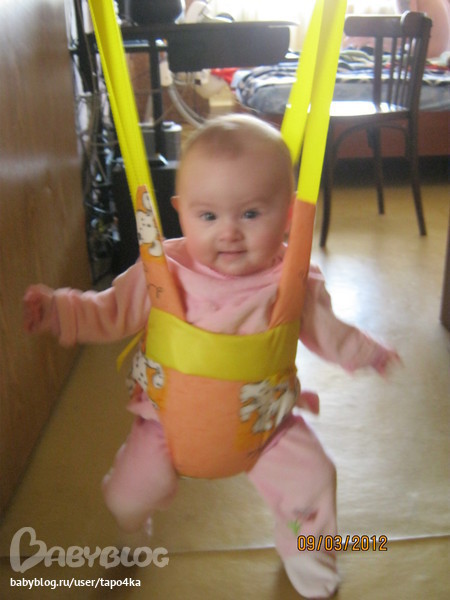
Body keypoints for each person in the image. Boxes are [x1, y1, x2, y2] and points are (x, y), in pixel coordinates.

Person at [24, 114, 400, 599]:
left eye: (251, 214)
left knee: (315, 480)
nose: (229, 233)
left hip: (267, 426)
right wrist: (59, 311)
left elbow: (331, 332)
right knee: (125, 495)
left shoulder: (290, 280)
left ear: (289, 214)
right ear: (180, 211)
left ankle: (312, 565)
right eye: (208, 216)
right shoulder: (163, 271)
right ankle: (133, 533)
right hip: (165, 425)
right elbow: (109, 310)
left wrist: (368, 353)